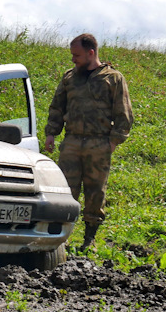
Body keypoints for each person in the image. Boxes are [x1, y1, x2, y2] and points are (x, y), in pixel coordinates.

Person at [44, 33, 133, 252]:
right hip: (72, 142)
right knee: (65, 189)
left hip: (98, 143)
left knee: (95, 192)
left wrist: (113, 141)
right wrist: (51, 133)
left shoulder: (113, 78)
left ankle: (89, 238)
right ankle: (61, 239)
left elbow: (123, 112)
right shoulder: (69, 77)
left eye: (77, 55)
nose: (73, 59)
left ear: (91, 53)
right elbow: (57, 106)